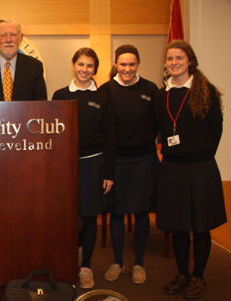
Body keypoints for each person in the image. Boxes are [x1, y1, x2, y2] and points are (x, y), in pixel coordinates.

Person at [155, 40, 226, 299]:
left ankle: (199, 277)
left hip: (200, 168)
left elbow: (215, 130)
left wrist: (201, 155)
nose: (174, 63)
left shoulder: (204, 90)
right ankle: (183, 273)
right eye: (170, 58)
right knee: (178, 226)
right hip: (173, 170)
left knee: (201, 226)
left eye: (179, 58)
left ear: (190, 61)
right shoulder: (161, 95)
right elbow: (162, 129)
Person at [52, 47, 116, 289]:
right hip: (64, 166)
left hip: (93, 164)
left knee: (89, 217)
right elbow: (51, 135)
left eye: (90, 66)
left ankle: (86, 267)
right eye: (81, 64)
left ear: (95, 69)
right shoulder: (59, 95)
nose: (85, 70)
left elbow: (110, 136)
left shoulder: (103, 97)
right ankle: (69, 260)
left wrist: (109, 172)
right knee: (67, 216)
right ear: (73, 64)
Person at [99, 45, 159, 285]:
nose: (127, 69)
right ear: (116, 64)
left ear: (138, 64)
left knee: (142, 212)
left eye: (131, 64)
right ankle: (118, 261)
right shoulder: (106, 90)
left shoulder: (150, 88)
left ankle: (139, 264)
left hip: (144, 160)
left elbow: (158, 123)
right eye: (122, 64)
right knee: (116, 212)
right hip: (116, 161)